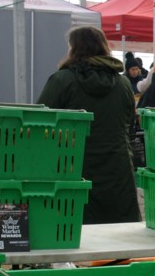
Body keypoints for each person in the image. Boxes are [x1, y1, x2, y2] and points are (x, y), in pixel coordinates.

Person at [36, 26, 141, 225]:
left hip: (73, 166)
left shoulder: (61, 80)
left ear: (74, 48)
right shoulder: (123, 83)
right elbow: (128, 121)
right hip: (117, 165)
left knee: (74, 230)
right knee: (120, 233)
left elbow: (41, 123)